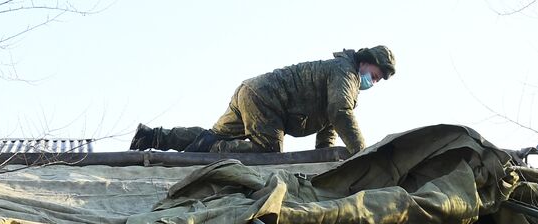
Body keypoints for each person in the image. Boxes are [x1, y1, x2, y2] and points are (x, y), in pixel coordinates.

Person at [130, 45, 395, 154]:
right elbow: (340, 112)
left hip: (252, 91)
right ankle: (212, 152)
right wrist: (363, 154)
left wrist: (324, 160)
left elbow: (329, 126)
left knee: (215, 134)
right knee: (267, 155)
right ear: (367, 61)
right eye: (377, 75)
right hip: (267, 101)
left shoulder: (344, 80)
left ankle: (151, 137)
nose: (375, 81)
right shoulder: (345, 73)